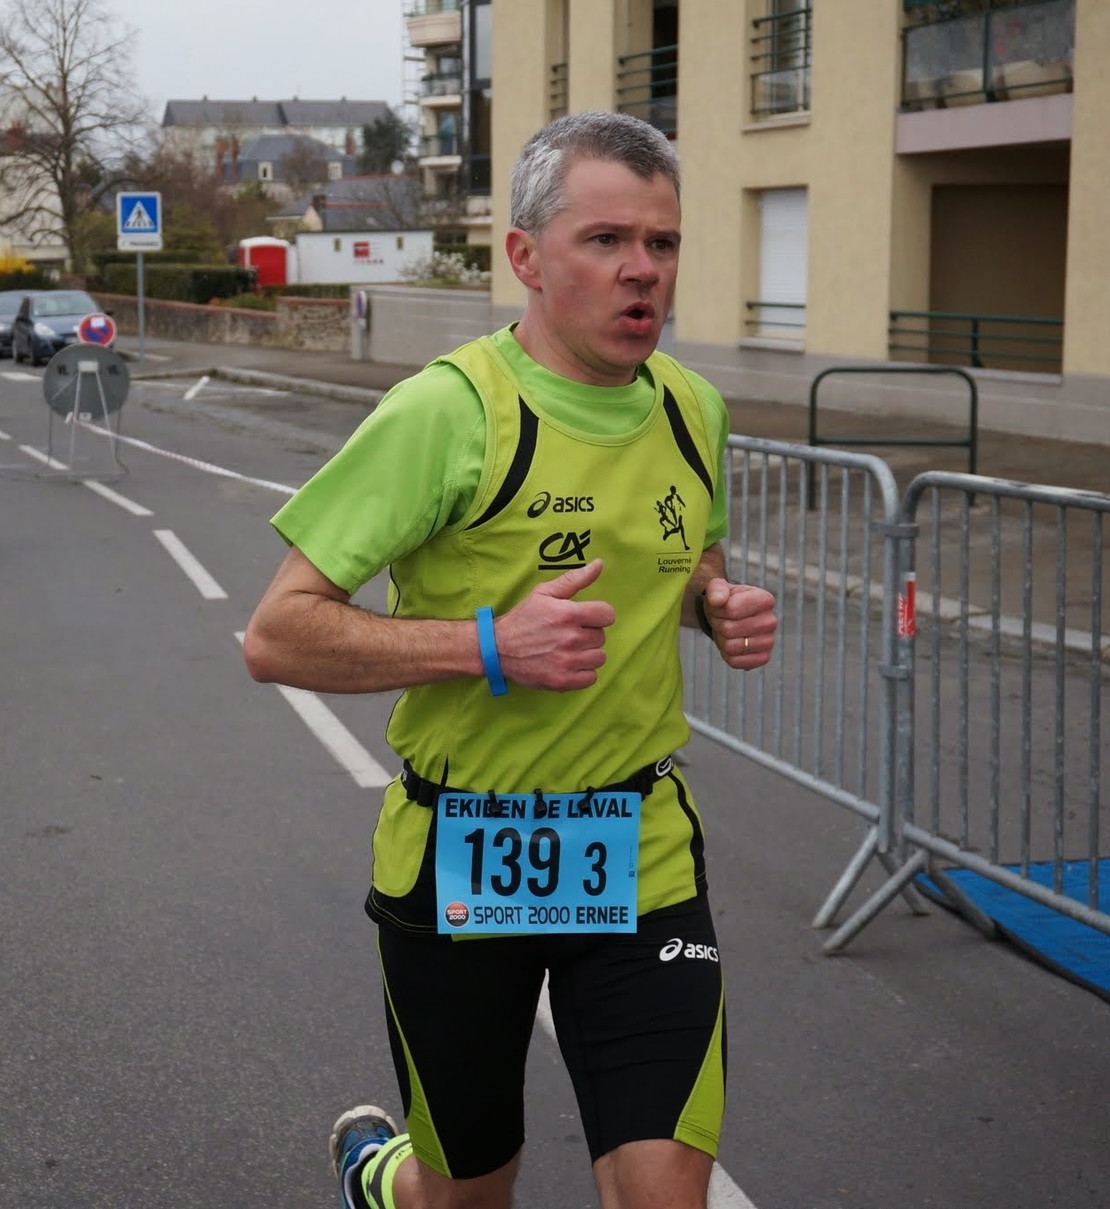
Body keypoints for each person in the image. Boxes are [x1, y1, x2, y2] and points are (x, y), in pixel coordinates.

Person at [242, 111, 779, 1209]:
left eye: (663, 244)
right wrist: (487, 644)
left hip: (637, 855)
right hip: (466, 855)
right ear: (525, 257)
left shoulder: (693, 408)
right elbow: (276, 633)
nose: (643, 272)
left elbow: (684, 555)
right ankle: (391, 1179)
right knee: (469, 1193)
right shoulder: (446, 414)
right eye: (607, 241)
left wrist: (713, 606)